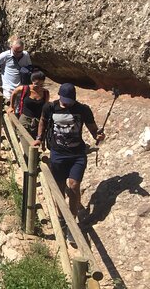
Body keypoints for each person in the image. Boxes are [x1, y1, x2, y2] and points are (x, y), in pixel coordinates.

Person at [35, 83, 105, 241]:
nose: (67, 103)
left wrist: (98, 136)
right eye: (65, 100)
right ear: (59, 95)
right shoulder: (50, 107)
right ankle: (62, 219)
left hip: (77, 155)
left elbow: (93, 130)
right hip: (57, 154)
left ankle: (72, 224)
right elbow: (42, 122)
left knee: (73, 186)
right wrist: (39, 138)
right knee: (59, 189)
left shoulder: (83, 110)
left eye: (70, 100)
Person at [0, 37, 32, 104]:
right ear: (11, 47)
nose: (17, 54)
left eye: (19, 52)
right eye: (15, 51)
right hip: (9, 90)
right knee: (9, 108)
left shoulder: (26, 55)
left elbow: (30, 67)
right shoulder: (5, 55)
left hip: (22, 89)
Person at [8, 70, 49, 138]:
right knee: (26, 141)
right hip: (25, 120)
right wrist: (11, 106)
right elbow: (14, 93)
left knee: (34, 142)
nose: (38, 87)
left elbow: (46, 106)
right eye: (36, 84)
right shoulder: (25, 89)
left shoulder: (45, 93)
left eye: (41, 85)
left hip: (38, 122)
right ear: (32, 81)